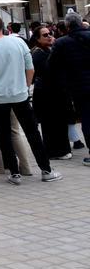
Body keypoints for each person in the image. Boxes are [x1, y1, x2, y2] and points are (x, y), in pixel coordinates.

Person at [0, 16, 61, 185]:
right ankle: (46, 170)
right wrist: (26, 86)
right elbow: (30, 68)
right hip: (20, 94)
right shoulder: (19, 42)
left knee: (4, 135)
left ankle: (14, 173)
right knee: (32, 133)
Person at [48, 12, 90, 166]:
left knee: (87, 119)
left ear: (67, 26)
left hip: (79, 87)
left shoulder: (61, 43)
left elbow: (52, 66)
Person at [30, 25, 69, 159]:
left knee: (59, 121)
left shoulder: (48, 49)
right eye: (45, 35)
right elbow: (48, 70)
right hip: (46, 93)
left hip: (56, 91)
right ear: (37, 38)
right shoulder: (37, 53)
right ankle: (55, 151)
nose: (49, 36)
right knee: (51, 124)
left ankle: (62, 149)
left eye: (50, 33)